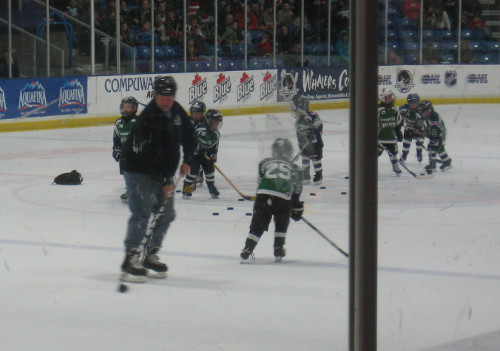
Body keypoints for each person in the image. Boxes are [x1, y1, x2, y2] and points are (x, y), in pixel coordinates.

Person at [119, 76, 196, 283]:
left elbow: (190, 136)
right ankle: (131, 257)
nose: (166, 102)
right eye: (162, 97)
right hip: (137, 169)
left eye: (169, 97)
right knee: (142, 213)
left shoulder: (176, 111)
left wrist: (187, 159)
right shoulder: (149, 117)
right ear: (156, 96)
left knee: (166, 212)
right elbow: (149, 155)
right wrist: (164, 181)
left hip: (162, 170)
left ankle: (150, 253)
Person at [240, 138, 304, 262]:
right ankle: (278, 247)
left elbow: (261, 182)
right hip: (283, 197)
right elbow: (296, 190)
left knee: (258, 222)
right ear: (289, 152)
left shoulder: (264, 162)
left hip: (264, 194)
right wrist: (296, 206)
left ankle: (248, 247)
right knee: (282, 220)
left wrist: (263, 197)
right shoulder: (296, 168)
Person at [182, 108, 223, 199]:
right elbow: (191, 140)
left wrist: (212, 156)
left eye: (217, 122)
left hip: (206, 156)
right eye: (215, 122)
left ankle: (211, 187)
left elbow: (214, 148)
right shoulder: (200, 129)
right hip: (195, 155)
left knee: (210, 170)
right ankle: (187, 188)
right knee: (193, 171)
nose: (216, 124)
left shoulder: (216, 134)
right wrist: (194, 148)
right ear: (209, 121)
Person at [292, 95, 324, 185]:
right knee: (305, 159)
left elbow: (319, 128)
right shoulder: (299, 120)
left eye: (296, 110)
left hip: (314, 144)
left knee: (315, 159)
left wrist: (315, 130)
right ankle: (305, 175)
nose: (294, 112)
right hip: (304, 145)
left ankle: (318, 175)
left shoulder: (313, 115)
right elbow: (299, 134)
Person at [112, 96, 139, 201]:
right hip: (125, 153)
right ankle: (131, 189)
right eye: (124, 106)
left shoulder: (137, 122)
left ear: (134, 108)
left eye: (128, 106)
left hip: (136, 153)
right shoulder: (119, 123)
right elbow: (116, 138)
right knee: (125, 170)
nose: (125, 109)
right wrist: (116, 151)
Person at [419, 101, 452, 174]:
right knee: (440, 149)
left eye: (424, 112)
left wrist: (433, 137)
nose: (423, 114)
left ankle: (432, 165)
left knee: (432, 148)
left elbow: (435, 129)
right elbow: (428, 127)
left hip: (439, 136)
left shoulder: (434, 117)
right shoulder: (429, 116)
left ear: (429, 110)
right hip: (436, 135)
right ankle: (447, 161)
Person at [378, 88, 403, 176]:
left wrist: (398, 130)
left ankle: (395, 165)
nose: (391, 98)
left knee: (393, 153)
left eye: (391, 96)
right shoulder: (379, 110)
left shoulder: (395, 109)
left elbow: (399, 121)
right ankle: (366, 168)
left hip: (391, 138)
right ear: (382, 98)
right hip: (380, 138)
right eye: (388, 96)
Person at [399, 93, 426, 163]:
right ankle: (404, 155)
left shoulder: (421, 110)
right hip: (408, 128)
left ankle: (419, 153)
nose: (414, 105)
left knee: (419, 142)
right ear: (408, 103)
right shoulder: (404, 108)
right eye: (412, 103)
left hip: (419, 129)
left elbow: (421, 123)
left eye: (416, 103)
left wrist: (417, 130)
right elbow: (399, 113)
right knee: (406, 142)